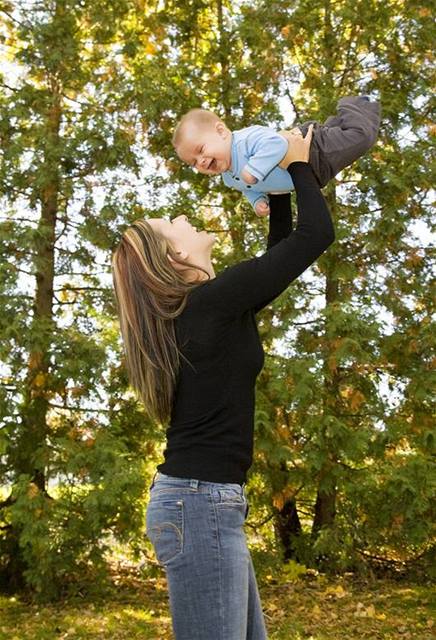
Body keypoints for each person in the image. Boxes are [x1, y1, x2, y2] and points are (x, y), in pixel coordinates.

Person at [111, 124, 335, 640]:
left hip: (203, 503)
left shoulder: (207, 310)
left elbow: (278, 255)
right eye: (173, 222)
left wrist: (278, 191)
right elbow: (316, 236)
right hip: (199, 504)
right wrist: (298, 161)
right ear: (176, 258)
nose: (184, 216)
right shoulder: (209, 307)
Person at [172, 95, 381, 216]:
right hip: (314, 173)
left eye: (200, 150)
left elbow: (277, 143)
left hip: (313, 149)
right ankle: (338, 121)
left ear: (221, 132)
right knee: (342, 136)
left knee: (362, 137)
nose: (201, 161)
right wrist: (257, 201)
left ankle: (358, 102)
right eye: (193, 162)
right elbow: (249, 188)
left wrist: (254, 169)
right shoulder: (228, 178)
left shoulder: (245, 141)